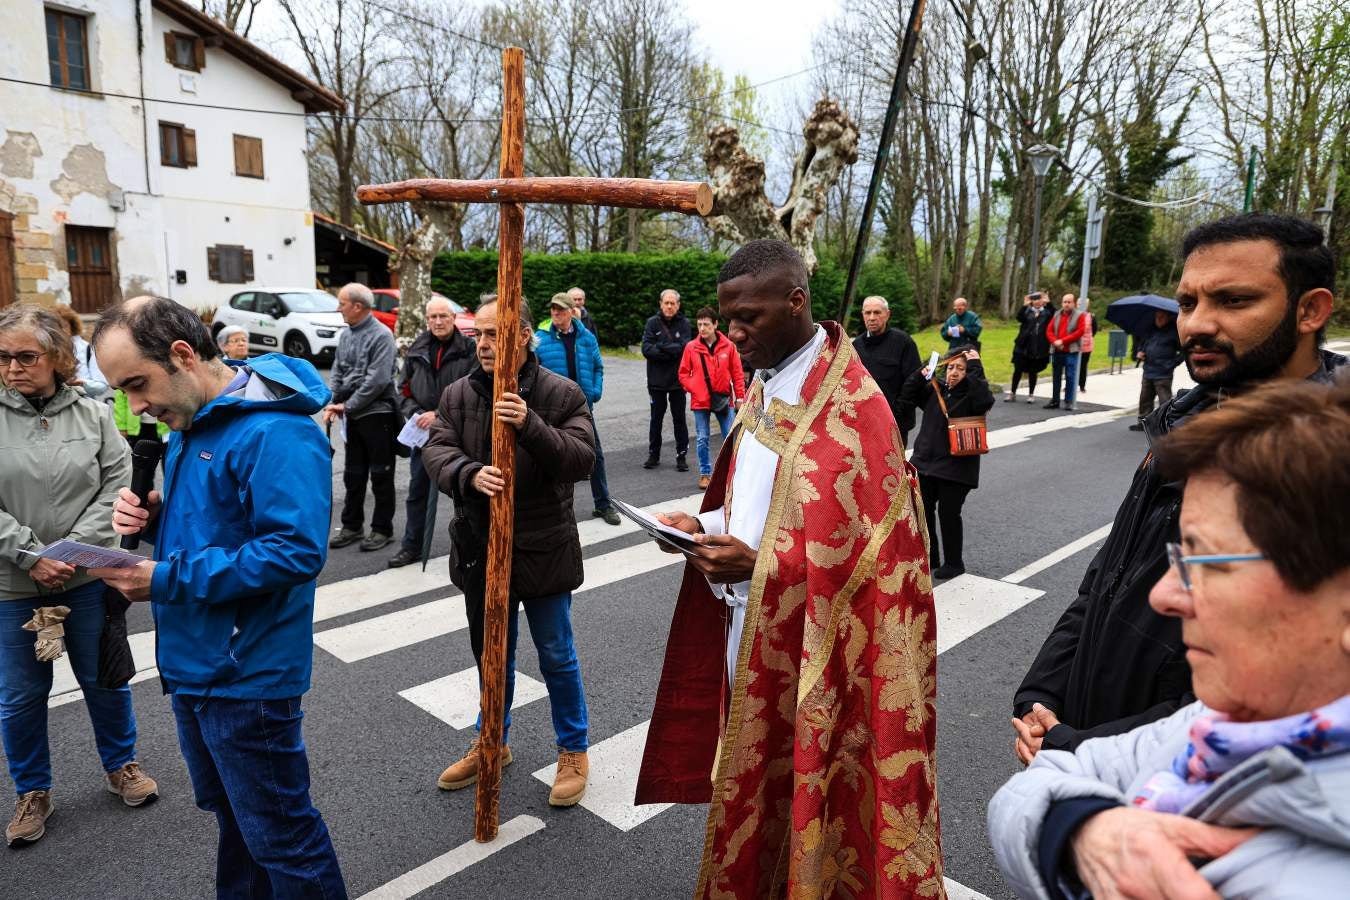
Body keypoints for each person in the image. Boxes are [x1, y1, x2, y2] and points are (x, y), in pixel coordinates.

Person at [637, 240, 943, 896]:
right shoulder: (768, 383)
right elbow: (756, 501)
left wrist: (760, 567)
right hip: (750, 635)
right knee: (759, 799)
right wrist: (705, 528)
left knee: (817, 811)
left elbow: (878, 566)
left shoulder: (856, 408)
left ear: (796, 302)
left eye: (749, 316)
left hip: (818, 658)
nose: (733, 331)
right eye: (726, 317)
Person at [992, 380, 1350, 899]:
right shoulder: (1231, 721)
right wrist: (1088, 830)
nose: (1164, 596)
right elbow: (1036, 785)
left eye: (1212, 561)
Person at [1012, 213, 1346, 762]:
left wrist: (1082, 748)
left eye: (1233, 301)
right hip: (1096, 754)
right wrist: (1044, 692)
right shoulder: (1178, 425)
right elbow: (1105, 580)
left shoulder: (1328, 463)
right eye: (1188, 303)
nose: (1197, 325)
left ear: (1310, 310)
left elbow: (1276, 698)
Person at [89, 295, 345, 897]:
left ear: (182, 355)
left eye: (137, 384)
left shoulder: (276, 432)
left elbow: (295, 551)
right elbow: (217, 527)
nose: (136, 406)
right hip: (198, 663)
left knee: (281, 834)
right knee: (237, 819)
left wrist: (164, 579)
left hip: (246, 672)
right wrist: (154, 519)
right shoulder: (192, 422)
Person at [422, 298, 596, 807]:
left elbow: (581, 459)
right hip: (480, 547)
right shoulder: (458, 393)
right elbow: (437, 449)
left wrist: (530, 424)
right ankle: (492, 741)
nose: (484, 344)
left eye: (496, 334)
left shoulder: (561, 392)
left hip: (542, 547)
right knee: (492, 654)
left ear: (523, 335)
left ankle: (573, 748)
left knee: (557, 655)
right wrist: (468, 474)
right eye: (479, 334)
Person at [0, 306, 156, 848]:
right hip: (14, 586)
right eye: (4, 357)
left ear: (58, 358)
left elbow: (116, 482)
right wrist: (30, 555)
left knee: (105, 681)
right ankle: (32, 791)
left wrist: (75, 553)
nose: (13, 367)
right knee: (20, 696)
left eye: (26, 356)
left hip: (85, 578)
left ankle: (122, 765)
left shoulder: (92, 412)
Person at [388, 296, 477, 568]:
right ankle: (412, 545)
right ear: (427, 320)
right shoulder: (418, 347)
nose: (438, 322)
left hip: (460, 432)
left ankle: (474, 545)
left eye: (443, 316)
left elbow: (474, 388)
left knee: (467, 491)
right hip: (423, 434)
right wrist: (417, 413)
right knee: (417, 492)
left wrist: (438, 414)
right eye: (433, 317)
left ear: (453, 318)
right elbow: (401, 389)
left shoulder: (469, 349)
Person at [900, 348, 994, 580]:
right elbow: (907, 396)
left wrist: (974, 368)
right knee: (924, 512)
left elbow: (985, 399)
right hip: (925, 463)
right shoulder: (936, 390)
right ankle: (930, 556)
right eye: (951, 367)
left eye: (960, 368)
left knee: (949, 513)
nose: (954, 373)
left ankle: (954, 562)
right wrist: (922, 373)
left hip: (957, 468)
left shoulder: (971, 395)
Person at [324, 282, 399, 553]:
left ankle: (382, 529)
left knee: (381, 474)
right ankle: (352, 526)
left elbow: (377, 380)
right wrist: (333, 401)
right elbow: (337, 371)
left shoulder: (382, 336)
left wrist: (347, 405)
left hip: (378, 415)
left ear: (357, 306)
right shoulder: (346, 336)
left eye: (341, 303)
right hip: (353, 416)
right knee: (353, 475)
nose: (338, 308)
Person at [534, 292, 619, 526]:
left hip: (582, 407)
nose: (555, 313)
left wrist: (595, 391)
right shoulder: (541, 338)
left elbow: (598, 367)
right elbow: (533, 372)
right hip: (551, 411)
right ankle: (551, 511)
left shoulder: (586, 337)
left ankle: (603, 504)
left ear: (572, 312)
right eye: (553, 309)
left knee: (595, 455)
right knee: (551, 457)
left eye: (560, 310)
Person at [677, 307, 745, 490]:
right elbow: (683, 374)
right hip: (701, 401)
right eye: (699, 324)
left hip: (724, 399)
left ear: (715, 324)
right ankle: (705, 474)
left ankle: (731, 473)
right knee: (702, 438)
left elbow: (737, 374)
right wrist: (695, 388)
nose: (702, 328)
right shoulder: (691, 347)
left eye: (706, 324)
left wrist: (740, 397)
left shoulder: (728, 346)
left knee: (729, 437)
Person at [852, 294, 921, 444]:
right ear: (862, 315)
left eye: (877, 312)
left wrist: (896, 413)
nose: (872, 317)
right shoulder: (856, 346)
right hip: (865, 425)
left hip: (896, 425)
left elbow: (914, 382)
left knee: (895, 467)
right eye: (867, 313)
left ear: (887, 314)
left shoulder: (903, 342)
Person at [641, 289, 692, 471]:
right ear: (660, 304)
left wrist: (661, 347)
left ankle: (681, 456)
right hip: (656, 382)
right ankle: (653, 454)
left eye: (673, 303)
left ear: (678, 305)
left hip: (678, 380)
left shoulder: (684, 323)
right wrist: (670, 350)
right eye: (666, 303)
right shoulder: (652, 323)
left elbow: (685, 349)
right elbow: (646, 349)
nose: (669, 306)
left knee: (679, 419)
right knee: (656, 419)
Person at [1129, 309, 1183, 432]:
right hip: (1148, 369)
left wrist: (1172, 364)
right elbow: (1144, 345)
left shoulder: (1174, 332)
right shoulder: (1150, 330)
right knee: (1145, 398)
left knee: (1164, 400)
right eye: (1157, 317)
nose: (1158, 319)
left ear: (1168, 317)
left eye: (1161, 317)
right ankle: (1143, 422)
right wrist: (1140, 352)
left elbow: (1183, 351)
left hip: (1163, 372)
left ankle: (1165, 424)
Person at [1043, 293, 1086, 411]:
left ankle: (1069, 401)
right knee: (1056, 376)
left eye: (1069, 302)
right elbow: (1049, 330)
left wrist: (1062, 341)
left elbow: (1080, 332)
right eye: (1064, 302)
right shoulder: (1057, 314)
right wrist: (1055, 341)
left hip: (1071, 351)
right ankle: (1055, 400)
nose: (1066, 304)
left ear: (1073, 303)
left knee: (1070, 376)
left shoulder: (1079, 315)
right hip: (1057, 351)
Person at [1008, 292, 1053, 403]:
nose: (1037, 301)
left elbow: (1054, 315)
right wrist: (1024, 305)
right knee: (1018, 369)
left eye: (1039, 299)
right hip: (1023, 346)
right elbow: (1019, 318)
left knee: (1033, 371)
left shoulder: (1046, 313)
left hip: (1038, 346)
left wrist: (1049, 303)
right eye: (1035, 299)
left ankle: (1031, 394)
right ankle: (1012, 393)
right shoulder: (1027, 311)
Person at [50, 303, 106, 388]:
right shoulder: (46, 350)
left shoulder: (87, 349)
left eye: (64, 326)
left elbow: (101, 385)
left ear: (72, 326)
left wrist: (82, 383)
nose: (60, 331)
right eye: (55, 327)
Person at [1076, 304, 1100, 394]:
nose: (1080, 305)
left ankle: (1082, 385)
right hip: (1074, 345)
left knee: (1083, 366)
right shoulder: (1073, 315)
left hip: (1086, 345)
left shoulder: (1091, 316)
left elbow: (1094, 330)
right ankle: (1069, 385)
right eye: (1079, 303)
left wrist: (1087, 338)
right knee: (1072, 366)